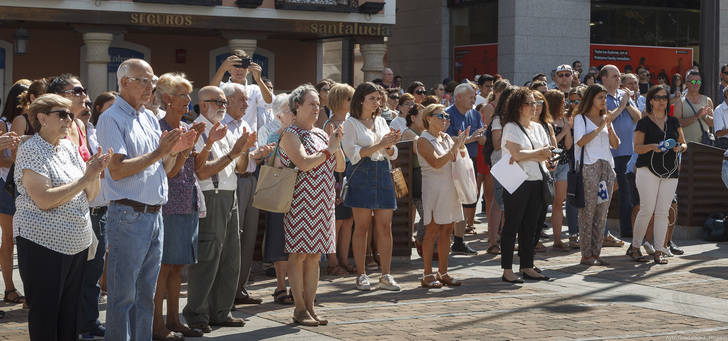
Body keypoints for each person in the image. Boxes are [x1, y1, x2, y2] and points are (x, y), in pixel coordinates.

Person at [97, 59, 195, 340]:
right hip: (129, 214)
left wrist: (181, 150)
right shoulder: (111, 118)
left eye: (152, 80)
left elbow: (164, 170)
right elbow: (116, 169)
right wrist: (158, 152)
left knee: (147, 295)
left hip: (154, 214)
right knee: (123, 295)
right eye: (143, 80)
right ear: (124, 82)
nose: (150, 86)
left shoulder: (149, 117)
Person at [15, 93, 112, 340]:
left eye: (70, 114)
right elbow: (44, 199)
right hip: (42, 243)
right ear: (41, 118)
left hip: (76, 244)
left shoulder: (68, 146)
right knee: (47, 314)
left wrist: (95, 173)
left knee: (70, 315)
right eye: (62, 114)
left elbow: (90, 194)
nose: (69, 119)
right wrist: (84, 178)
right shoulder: (31, 149)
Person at [183, 85, 256, 333]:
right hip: (209, 197)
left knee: (230, 258)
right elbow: (201, 171)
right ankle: (197, 313)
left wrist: (244, 150)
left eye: (225, 102)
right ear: (203, 105)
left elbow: (241, 168)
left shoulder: (225, 131)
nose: (224, 107)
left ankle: (221, 311)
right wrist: (234, 153)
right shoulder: (197, 130)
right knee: (208, 258)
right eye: (219, 102)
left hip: (230, 195)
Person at [279, 84, 346, 325]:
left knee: (315, 256)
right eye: (312, 104)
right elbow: (304, 163)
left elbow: (340, 167)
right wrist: (329, 150)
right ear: (297, 106)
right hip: (299, 202)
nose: (317, 108)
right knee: (298, 255)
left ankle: (310, 307)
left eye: (319, 104)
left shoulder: (320, 133)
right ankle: (299, 309)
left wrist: (335, 144)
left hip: (323, 201)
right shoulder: (290, 134)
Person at [151, 73, 206, 340]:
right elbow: (170, 173)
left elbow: (197, 168)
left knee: (177, 266)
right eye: (182, 95)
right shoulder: (160, 128)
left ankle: (174, 320)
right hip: (168, 203)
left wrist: (208, 143)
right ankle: (157, 325)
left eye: (188, 95)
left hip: (188, 201)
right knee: (163, 266)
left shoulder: (186, 127)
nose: (188, 100)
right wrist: (185, 149)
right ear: (167, 99)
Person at [342, 82, 401, 291]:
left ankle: (386, 274)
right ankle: (361, 274)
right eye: (372, 99)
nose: (377, 103)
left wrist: (392, 143)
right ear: (361, 100)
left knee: (385, 226)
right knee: (362, 226)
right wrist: (381, 144)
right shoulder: (350, 124)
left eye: (378, 98)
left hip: (382, 172)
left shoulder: (382, 121)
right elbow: (353, 155)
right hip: (362, 174)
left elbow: (392, 153)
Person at [220, 83, 274, 306]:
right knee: (232, 238)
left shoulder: (246, 124)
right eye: (242, 100)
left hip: (251, 180)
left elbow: (249, 156)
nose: (246, 104)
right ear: (228, 101)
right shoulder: (222, 126)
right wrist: (252, 156)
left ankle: (240, 288)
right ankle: (225, 293)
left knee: (249, 237)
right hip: (234, 183)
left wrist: (259, 154)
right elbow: (229, 160)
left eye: (247, 100)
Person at [629, 85, 687, 265]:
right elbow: (636, 148)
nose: (662, 101)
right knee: (647, 209)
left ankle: (659, 250)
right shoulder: (644, 122)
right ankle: (636, 246)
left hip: (670, 170)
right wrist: (653, 146)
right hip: (647, 168)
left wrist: (680, 147)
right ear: (651, 101)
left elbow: (684, 144)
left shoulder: (674, 122)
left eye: (664, 98)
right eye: (658, 98)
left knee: (664, 211)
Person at [499, 87, 553, 283]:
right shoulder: (511, 127)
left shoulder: (538, 128)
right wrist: (536, 153)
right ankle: (507, 269)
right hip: (518, 181)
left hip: (538, 180)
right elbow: (517, 155)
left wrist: (533, 154)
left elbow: (546, 154)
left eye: (535, 103)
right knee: (512, 225)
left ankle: (527, 265)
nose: (534, 107)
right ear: (518, 106)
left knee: (532, 226)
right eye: (529, 103)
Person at [77, 91, 115, 340]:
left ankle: (89, 322)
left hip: (101, 209)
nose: (87, 107)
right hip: (80, 209)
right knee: (77, 274)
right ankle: (75, 323)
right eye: (84, 103)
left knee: (93, 273)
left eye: (89, 103)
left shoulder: (96, 131)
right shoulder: (70, 132)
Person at [416, 104, 467, 288]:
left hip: (449, 187)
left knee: (447, 229)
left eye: (447, 116)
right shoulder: (423, 139)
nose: (445, 119)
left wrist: (461, 144)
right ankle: (427, 273)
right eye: (441, 115)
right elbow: (436, 162)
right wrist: (455, 147)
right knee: (432, 230)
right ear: (428, 118)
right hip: (433, 188)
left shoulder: (445, 137)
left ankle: (443, 272)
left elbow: (456, 158)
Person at [573, 84, 620, 266]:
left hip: (606, 166)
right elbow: (580, 141)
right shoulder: (580, 118)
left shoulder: (605, 119)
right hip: (589, 166)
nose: (604, 101)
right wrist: (600, 127)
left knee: (602, 212)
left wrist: (608, 125)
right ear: (591, 98)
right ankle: (586, 254)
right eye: (600, 97)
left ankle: (596, 252)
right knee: (588, 212)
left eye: (605, 97)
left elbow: (615, 145)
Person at [258, 93, 296, 304]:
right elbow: (269, 162)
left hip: (300, 193)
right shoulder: (272, 135)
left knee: (296, 241)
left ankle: (297, 286)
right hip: (279, 192)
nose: (294, 114)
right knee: (278, 238)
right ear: (280, 116)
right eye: (291, 111)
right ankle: (281, 285)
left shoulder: (303, 133)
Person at [601, 65, 641, 241]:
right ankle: (625, 230)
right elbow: (607, 118)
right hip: (613, 151)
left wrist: (626, 104)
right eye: (614, 76)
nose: (618, 79)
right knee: (622, 191)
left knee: (632, 190)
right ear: (604, 79)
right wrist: (623, 105)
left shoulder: (622, 95)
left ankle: (632, 228)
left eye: (619, 76)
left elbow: (638, 116)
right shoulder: (601, 96)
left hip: (630, 150)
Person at [0, 81, 30, 307]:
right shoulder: (3, 124)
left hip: (25, 185)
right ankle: (9, 288)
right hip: (5, 185)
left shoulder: (35, 122)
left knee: (24, 238)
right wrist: (20, 157)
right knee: (9, 239)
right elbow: (0, 159)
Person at [445, 83, 485, 247]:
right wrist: (471, 138)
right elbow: (447, 140)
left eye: (475, 96)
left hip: (470, 162)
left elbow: (482, 138)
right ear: (458, 97)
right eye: (471, 96)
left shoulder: (475, 114)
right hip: (452, 162)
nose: (474, 99)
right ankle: (447, 238)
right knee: (452, 200)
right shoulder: (446, 115)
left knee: (467, 199)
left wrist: (480, 137)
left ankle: (459, 240)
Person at [323, 83, 356, 275]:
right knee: (335, 222)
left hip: (350, 173)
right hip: (336, 175)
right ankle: (333, 263)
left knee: (349, 220)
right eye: (349, 98)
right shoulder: (330, 124)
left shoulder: (351, 122)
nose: (353, 102)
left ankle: (344, 260)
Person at [212, 49, 273, 132]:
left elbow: (270, 102)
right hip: (225, 137)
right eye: (236, 66)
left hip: (248, 140)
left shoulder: (254, 89)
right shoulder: (222, 87)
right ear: (229, 69)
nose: (239, 70)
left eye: (243, 67)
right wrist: (222, 69)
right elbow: (209, 92)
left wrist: (259, 80)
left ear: (248, 70)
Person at [544, 89, 572, 250]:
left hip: (563, 164)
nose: (565, 105)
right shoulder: (545, 122)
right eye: (562, 102)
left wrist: (567, 130)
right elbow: (551, 145)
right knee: (543, 202)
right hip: (548, 165)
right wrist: (563, 133)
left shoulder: (564, 120)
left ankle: (557, 239)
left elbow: (568, 145)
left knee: (558, 202)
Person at [47, 74, 92, 162]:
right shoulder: (54, 125)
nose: (84, 95)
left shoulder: (80, 124)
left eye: (84, 91)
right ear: (59, 96)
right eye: (77, 91)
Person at [674, 70, 714, 144]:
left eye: (698, 82)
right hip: (687, 147)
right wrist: (696, 116)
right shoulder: (680, 102)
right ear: (686, 83)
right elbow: (677, 124)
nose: (696, 84)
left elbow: (712, 124)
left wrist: (705, 117)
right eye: (693, 82)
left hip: (705, 145)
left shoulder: (707, 100)